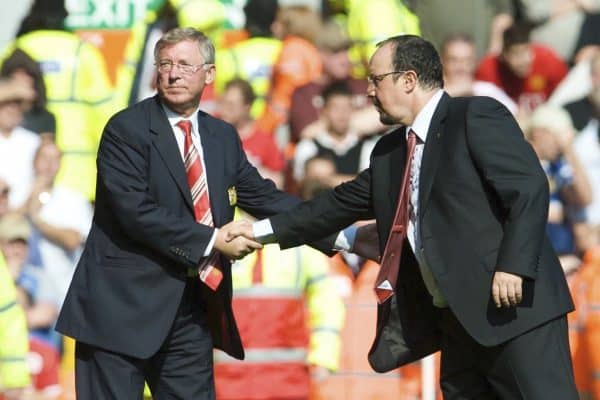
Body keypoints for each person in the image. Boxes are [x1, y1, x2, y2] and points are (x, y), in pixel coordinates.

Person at [229, 34, 578, 398]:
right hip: (457, 326)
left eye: (375, 80)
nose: (367, 92)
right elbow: (332, 206)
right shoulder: (390, 152)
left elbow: (529, 187)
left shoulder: (474, 115)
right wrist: (259, 231)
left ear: (408, 80)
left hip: (516, 314)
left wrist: (514, 266)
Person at [55, 27, 335, 399]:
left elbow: (265, 197)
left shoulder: (221, 136)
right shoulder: (126, 130)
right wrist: (212, 240)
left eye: (185, 65)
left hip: (189, 312)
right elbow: (135, 211)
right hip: (118, 314)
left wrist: (340, 234)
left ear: (210, 73)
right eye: (165, 64)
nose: (172, 73)